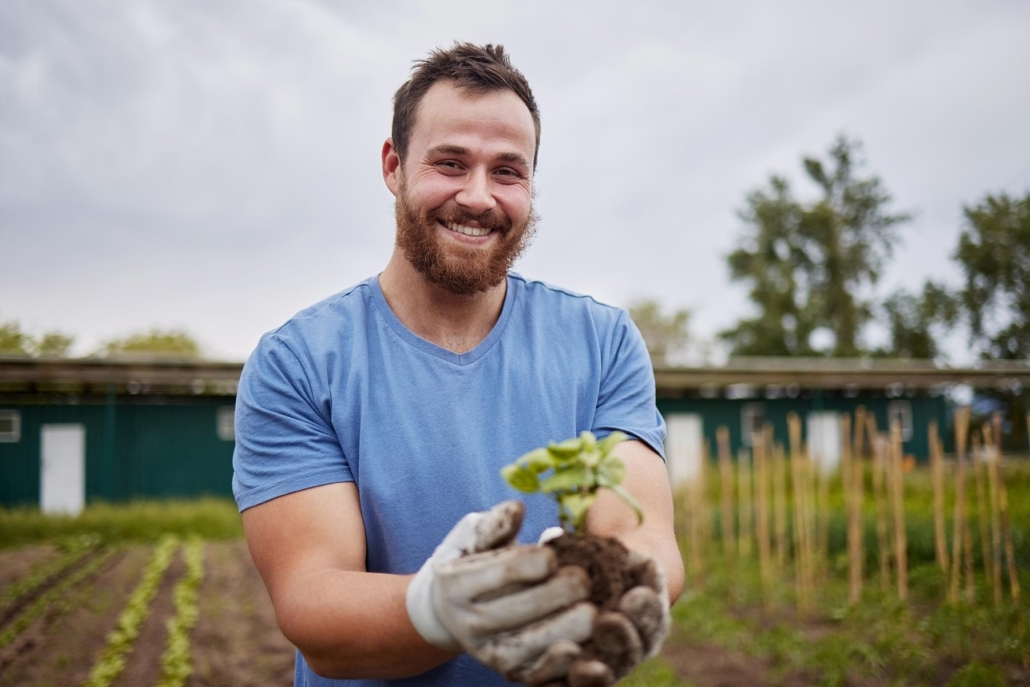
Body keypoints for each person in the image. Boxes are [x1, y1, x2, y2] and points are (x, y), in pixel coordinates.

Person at [232, 42, 684, 687]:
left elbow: (645, 534)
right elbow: (313, 602)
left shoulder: (601, 340)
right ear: (393, 166)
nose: (478, 197)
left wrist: (616, 584)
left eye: (508, 171)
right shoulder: (300, 363)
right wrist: (443, 608)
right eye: (450, 163)